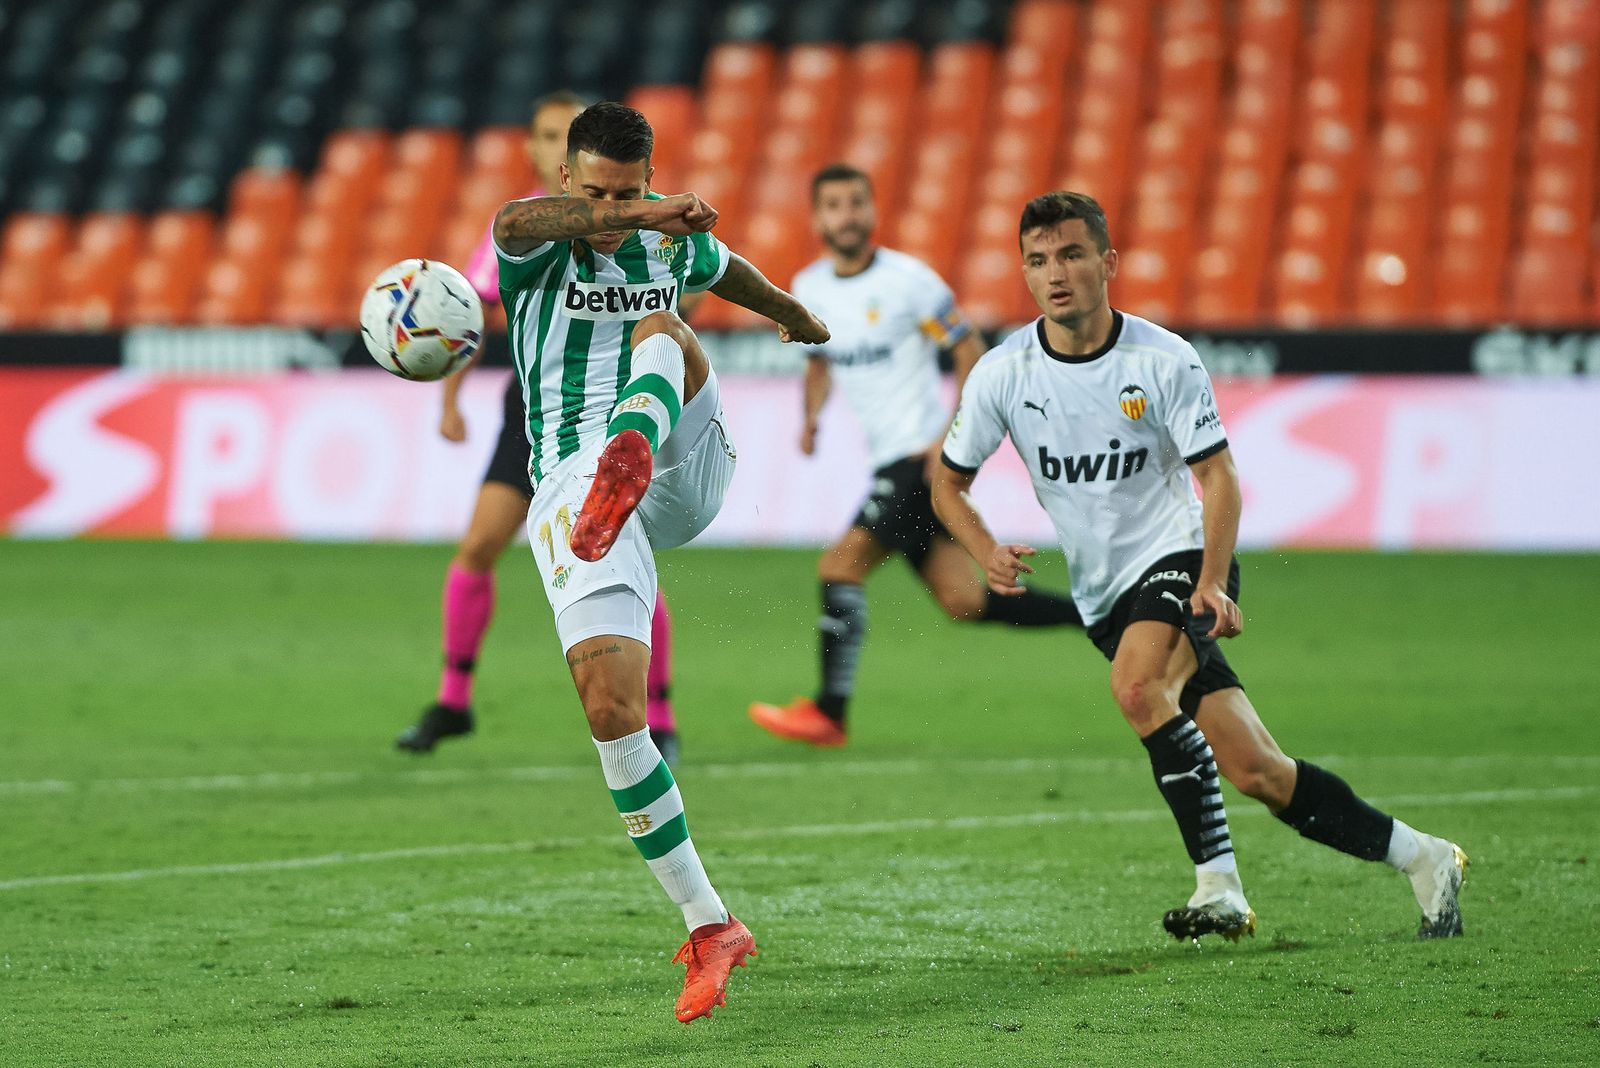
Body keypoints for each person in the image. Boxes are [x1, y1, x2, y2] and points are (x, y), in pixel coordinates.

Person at [930, 191, 1468, 942]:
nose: (1056, 273)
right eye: (1039, 259)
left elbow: (1218, 475)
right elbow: (946, 482)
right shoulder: (1002, 374)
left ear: (1107, 262)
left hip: (1180, 557)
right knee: (1259, 773)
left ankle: (1218, 888)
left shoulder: (1161, 358)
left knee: (1138, 687)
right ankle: (1426, 858)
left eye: (1073, 254)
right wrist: (984, 547)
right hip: (1103, 595)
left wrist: (1211, 579)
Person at [491, 102, 829, 1021]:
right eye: (597, 191)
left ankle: (625, 456)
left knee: (662, 331)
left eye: (629, 191)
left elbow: (728, 272)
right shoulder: (535, 241)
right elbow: (512, 224)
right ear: (570, 181)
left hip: (681, 458)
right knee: (610, 708)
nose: (612, 205)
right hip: (571, 488)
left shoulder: (673, 247)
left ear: (649, 177)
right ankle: (711, 924)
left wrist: (793, 313)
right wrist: (646, 213)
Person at [748, 164, 1083, 748]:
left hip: (920, 460)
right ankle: (1107, 614)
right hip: (893, 462)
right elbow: (820, 359)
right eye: (834, 205)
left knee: (839, 566)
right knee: (966, 601)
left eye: (857, 203)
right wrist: (809, 417)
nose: (847, 215)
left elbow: (968, 349)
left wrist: (951, 439)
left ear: (873, 211)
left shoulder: (910, 282)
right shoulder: (810, 286)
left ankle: (829, 713)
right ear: (817, 217)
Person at [395, 91, 683, 765]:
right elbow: (467, 312)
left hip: (612, 419)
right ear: (540, 152)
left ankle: (660, 713)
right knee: (479, 545)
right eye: (549, 135)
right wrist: (450, 399)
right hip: (529, 412)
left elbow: (671, 293)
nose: (558, 144)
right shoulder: (522, 228)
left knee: (624, 565)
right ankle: (452, 699)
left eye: (567, 133)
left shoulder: (640, 226)